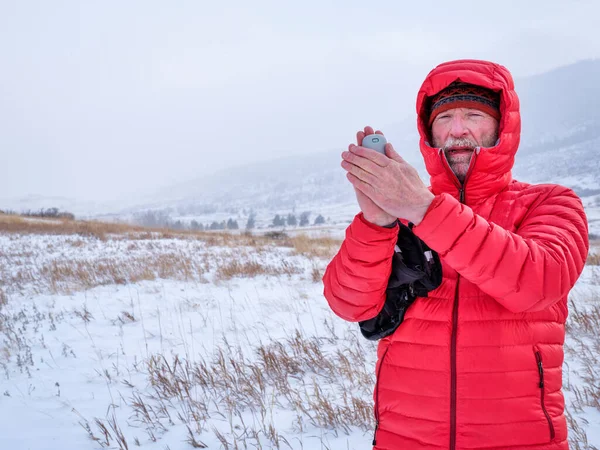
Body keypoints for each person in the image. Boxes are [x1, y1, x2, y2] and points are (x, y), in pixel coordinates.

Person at [322, 59, 589, 450]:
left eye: (474, 115)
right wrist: (376, 222)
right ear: (428, 132)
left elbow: (537, 281)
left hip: (521, 441)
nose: (458, 130)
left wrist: (425, 210)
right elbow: (350, 304)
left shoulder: (549, 203)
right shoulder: (402, 212)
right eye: (444, 117)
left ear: (503, 127)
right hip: (406, 439)